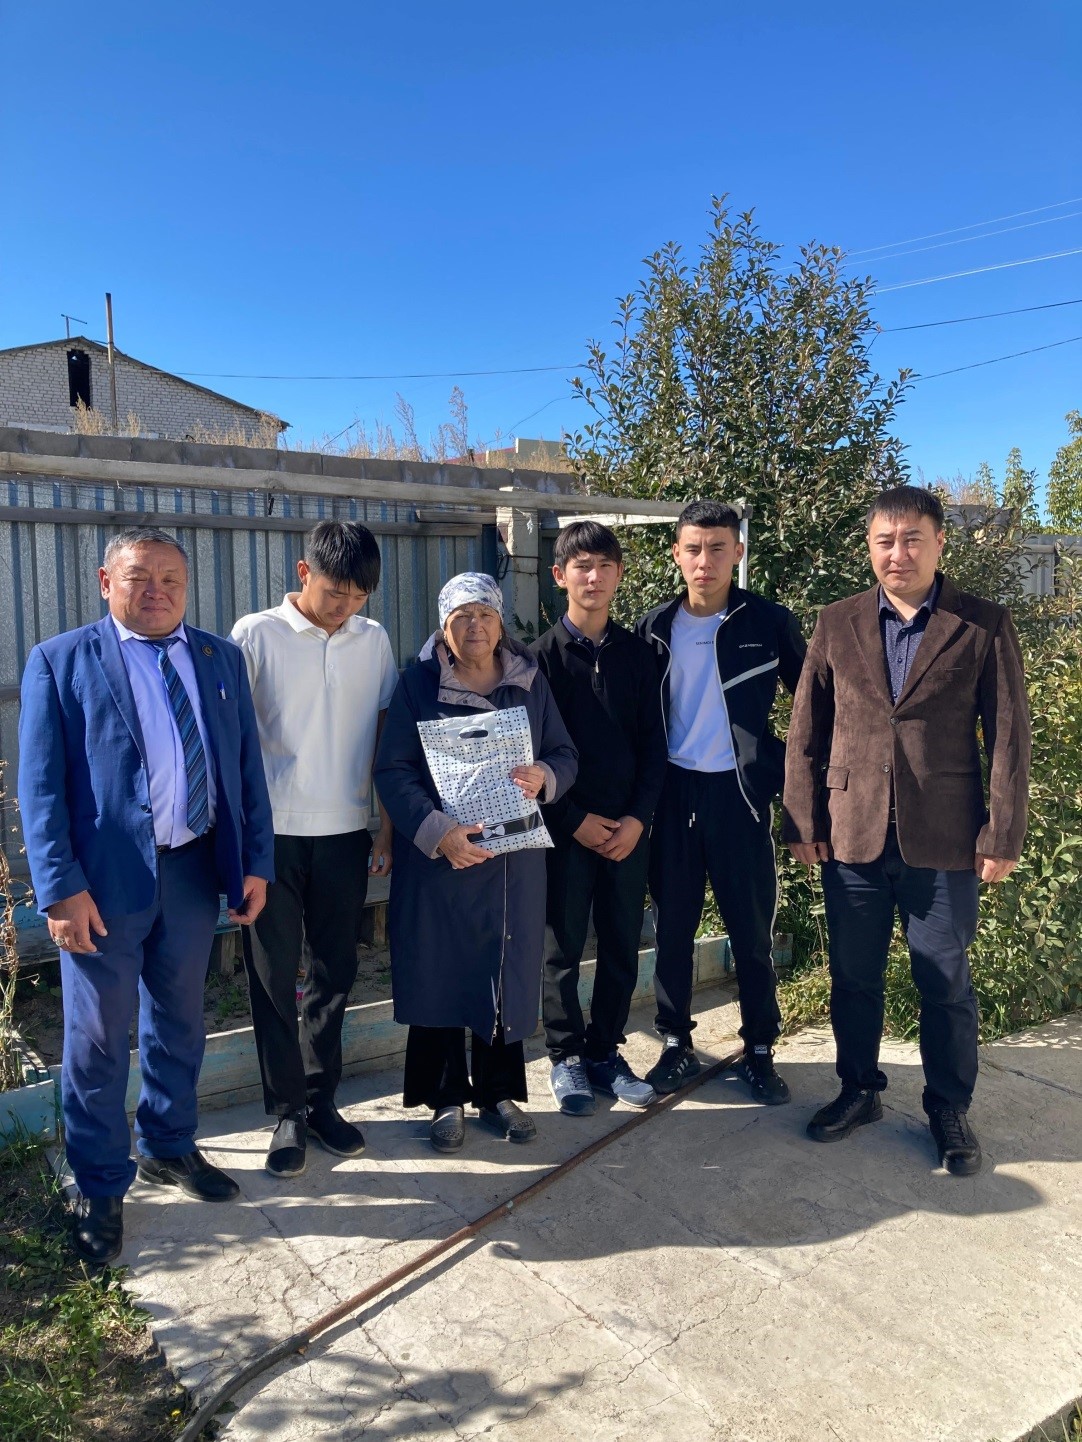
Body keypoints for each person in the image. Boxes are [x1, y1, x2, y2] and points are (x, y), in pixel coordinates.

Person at [18, 526, 274, 1265]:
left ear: (187, 587)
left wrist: (255, 862)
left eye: (171, 578)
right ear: (107, 582)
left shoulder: (219, 658)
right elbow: (40, 788)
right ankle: (100, 1182)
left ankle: (169, 1143)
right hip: (104, 885)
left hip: (193, 871)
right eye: (139, 577)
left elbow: (245, 769)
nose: (157, 590)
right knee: (98, 1037)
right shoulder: (60, 661)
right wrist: (60, 891)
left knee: (180, 1020)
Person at [782, 485, 1031, 1176]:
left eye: (912, 539)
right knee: (853, 976)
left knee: (944, 981)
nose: (899, 553)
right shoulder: (836, 622)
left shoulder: (981, 624)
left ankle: (948, 1106)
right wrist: (802, 818)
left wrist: (1002, 833)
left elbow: (1009, 737)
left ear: (939, 542)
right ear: (869, 547)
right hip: (851, 834)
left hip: (945, 839)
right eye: (885, 541)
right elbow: (807, 729)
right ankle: (858, 1090)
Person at [374, 572, 577, 1153]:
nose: (475, 626)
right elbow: (393, 769)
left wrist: (546, 776)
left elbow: (565, 752)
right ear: (444, 626)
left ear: (500, 621)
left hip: (513, 863)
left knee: (504, 971)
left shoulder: (528, 680)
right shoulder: (418, 684)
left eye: (485, 614)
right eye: (461, 616)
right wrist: (439, 833)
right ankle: (444, 1098)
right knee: (440, 970)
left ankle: (498, 1093)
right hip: (443, 860)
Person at [230, 521, 398, 1177]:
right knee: (274, 977)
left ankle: (322, 1100)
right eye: (335, 593)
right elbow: (236, 743)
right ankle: (285, 1112)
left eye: (358, 597)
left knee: (335, 971)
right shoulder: (255, 635)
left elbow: (384, 734)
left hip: (346, 831)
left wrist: (384, 825)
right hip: (271, 835)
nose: (345, 608)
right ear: (304, 573)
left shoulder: (373, 640)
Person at [636, 500, 806, 1101]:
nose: (704, 561)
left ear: (737, 551)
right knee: (673, 931)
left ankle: (759, 1050)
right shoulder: (654, 628)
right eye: (693, 548)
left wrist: (780, 772)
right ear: (676, 554)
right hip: (675, 794)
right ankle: (676, 1044)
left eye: (716, 548)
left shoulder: (769, 622)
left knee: (751, 931)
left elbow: (815, 708)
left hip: (740, 796)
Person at [530, 521, 667, 1116]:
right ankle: (565, 1057)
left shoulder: (640, 655)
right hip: (564, 830)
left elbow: (656, 745)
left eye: (605, 565)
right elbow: (527, 759)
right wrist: (572, 819)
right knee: (560, 948)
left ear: (618, 575)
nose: (594, 577)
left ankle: (606, 1051)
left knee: (620, 943)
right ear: (560, 576)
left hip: (626, 833)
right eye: (581, 566)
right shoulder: (536, 660)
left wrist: (637, 819)